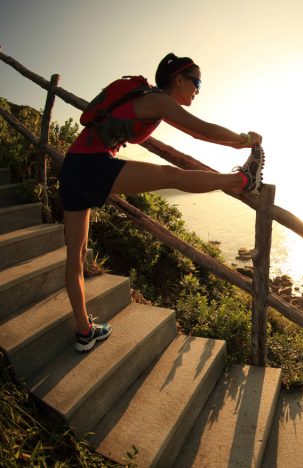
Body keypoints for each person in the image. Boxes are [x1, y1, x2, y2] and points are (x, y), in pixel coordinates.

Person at [59, 53, 263, 352]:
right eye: (197, 82)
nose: (198, 89)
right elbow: (202, 131)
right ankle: (244, 180)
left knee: (75, 257)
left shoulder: (149, 100)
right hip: (92, 165)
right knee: (173, 176)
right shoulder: (158, 100)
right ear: (178, 80)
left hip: (74, 167)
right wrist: (246, 139)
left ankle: (84, 331)